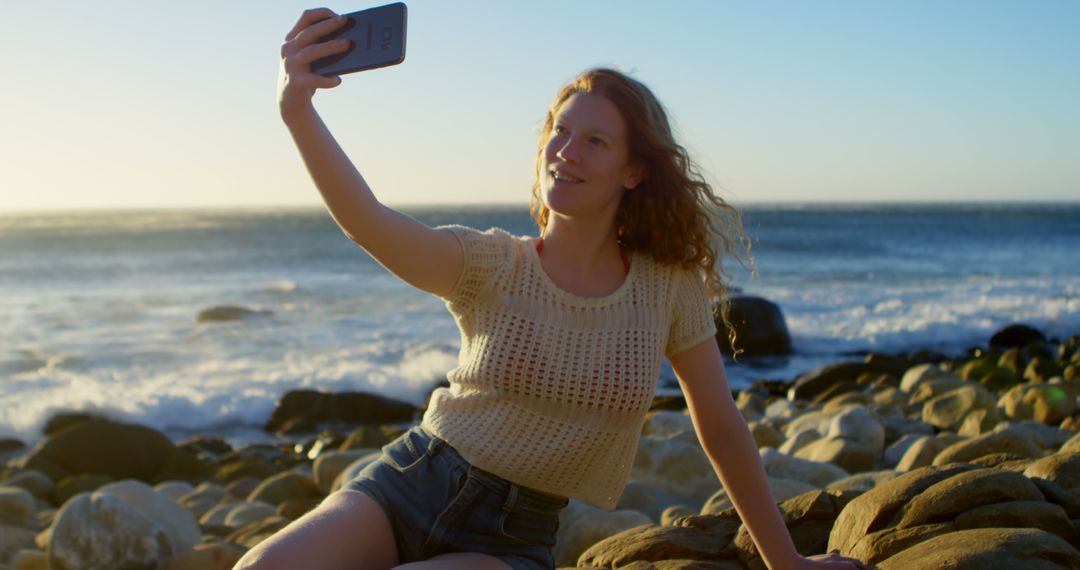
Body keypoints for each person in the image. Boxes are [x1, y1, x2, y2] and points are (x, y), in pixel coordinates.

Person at [236, 7, 868, 570]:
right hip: (413, 479)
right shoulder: (492, 263)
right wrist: (297, 111)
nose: (567, 151)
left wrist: (786, 561)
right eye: (560, 132)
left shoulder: (667, 289)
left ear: (632, 171)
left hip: (508, 540)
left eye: (595, 141)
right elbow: (369, 222)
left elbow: (720, 424)